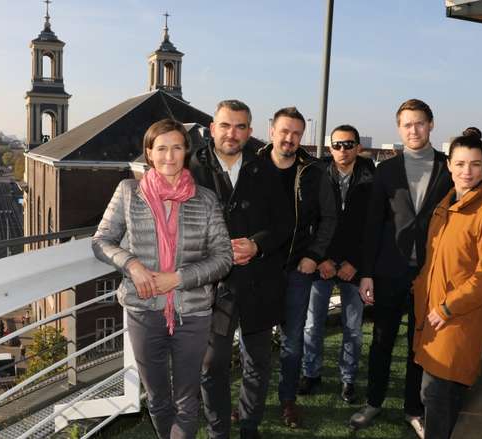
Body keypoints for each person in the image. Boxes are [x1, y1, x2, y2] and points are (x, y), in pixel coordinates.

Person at [92, 118, 232, 439]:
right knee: (156, 397)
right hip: (143, 309)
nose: (170, 156)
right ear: (149, 154)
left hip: (193, 312)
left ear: (186, 152)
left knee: (186, 398)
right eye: (162, 148)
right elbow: (101, 241)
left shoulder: (206, 199)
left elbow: (223, 258)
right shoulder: (128, 192)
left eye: (177, 148)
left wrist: (179, 279)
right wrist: (132, 265)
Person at [350, 99, 452, 438]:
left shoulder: (449, 168)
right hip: (388, 271)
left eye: (419, 123)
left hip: (430, 274)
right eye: (407, 124)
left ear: (431, 125)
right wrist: (366, 272)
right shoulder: (386, 171)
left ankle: (414, 408)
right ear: (399, 128)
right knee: (381, 341)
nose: (413, 130)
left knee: (418, 347)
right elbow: (372, 225)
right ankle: (373, 401)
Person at [190, 100, 290, 439]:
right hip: (213, 285)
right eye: (225, 125)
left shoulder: (266, 171)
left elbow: (284, 223)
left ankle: (249, 425)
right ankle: (218, 431)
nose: (232, 133)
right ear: (211, 128)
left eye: (240, 126)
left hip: (258, 280)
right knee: (210, 363)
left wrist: (257, 245)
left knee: (258, 359)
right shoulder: (191, 168)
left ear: (250, 131)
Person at [413, 133, 482, 439]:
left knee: (438, 396)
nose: (466, 171)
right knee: (435, 397)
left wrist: (447, 307)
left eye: (475, 164)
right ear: (449, 165)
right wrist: (420, 288)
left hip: (456, 319)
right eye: (460, 164)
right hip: (432, 315)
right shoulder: (448, 204)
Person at [256, 107, 336, 427]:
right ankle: (253, 400)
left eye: (296, 133)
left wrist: (314, 255)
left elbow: (329, 218)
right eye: (285, 131)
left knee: (292, 341)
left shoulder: (315, 172)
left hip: (297, 271)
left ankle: (287, 400)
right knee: (257, 340)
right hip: (259, 271)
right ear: (272, 130)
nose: (290, 138)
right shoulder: (253, 167)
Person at [301, 124, 374, 404]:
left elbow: (371, 227)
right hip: (323, 265)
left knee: (353, 328)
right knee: (312, 324)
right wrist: (322, 260)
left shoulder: (371, 179)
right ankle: (311, 372)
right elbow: (309, 222)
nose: (343, 149)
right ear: (330, 148)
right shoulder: (317, 176)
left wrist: (353, 263)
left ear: (358, 147)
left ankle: (348, 379)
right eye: (338, 144)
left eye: (348, 144)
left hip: (352, 268)